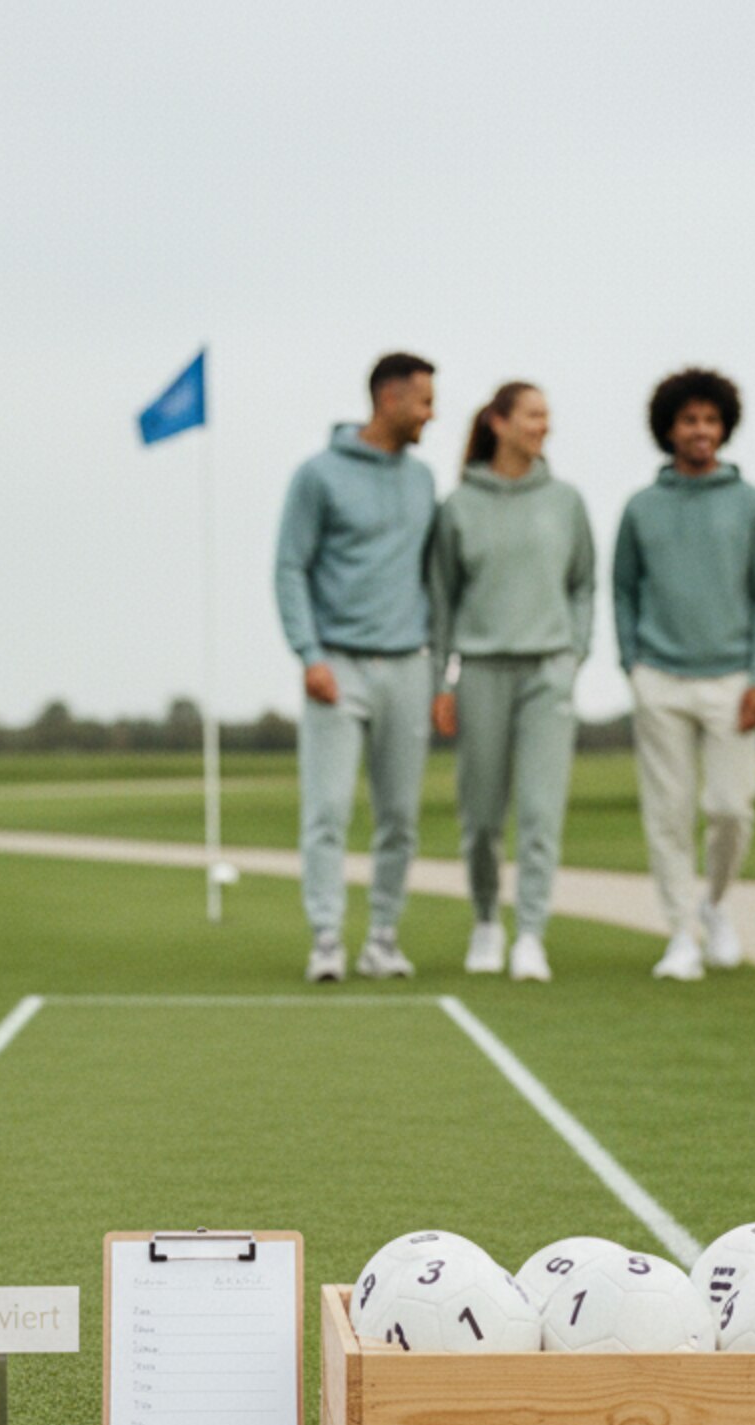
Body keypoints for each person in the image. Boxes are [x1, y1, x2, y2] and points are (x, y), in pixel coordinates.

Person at [274, 353, 439, 982]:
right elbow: (291, 566)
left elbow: (430, 577)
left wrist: (438, 668)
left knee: (400, 818)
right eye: (423, 401)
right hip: (338, 666)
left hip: (408, 666)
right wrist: (309, 654)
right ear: (389, 399)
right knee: (328, 811)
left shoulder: (422, 480)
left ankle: (383, 939)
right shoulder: (317, 475)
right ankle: (326, 939)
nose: (431, 414)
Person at [613, 367, 755, 982]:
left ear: (725, 427)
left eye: (711, 420)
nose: (701, 430)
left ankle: (714, 904)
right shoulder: (642, 508)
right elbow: (623, 591)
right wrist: (632, 663)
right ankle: (681, 934)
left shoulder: (752, 504)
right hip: (659, 677)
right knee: (669, 813)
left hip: (731, 678)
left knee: (732, 808)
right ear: (669, 429)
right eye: (689, 420)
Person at [427, 381, 594, 982]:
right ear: (498, 422)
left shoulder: (566, 502)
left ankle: (530, 935)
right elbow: (442, 603)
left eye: (546, 416)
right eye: (532, 415)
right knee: (480, 818)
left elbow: (583, 584)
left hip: (547, 672)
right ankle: (485, 922)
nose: (542, 425)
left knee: (541, 815)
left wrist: (575, 653)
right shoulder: (457, 507)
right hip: (480, 672)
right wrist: (441, 683)